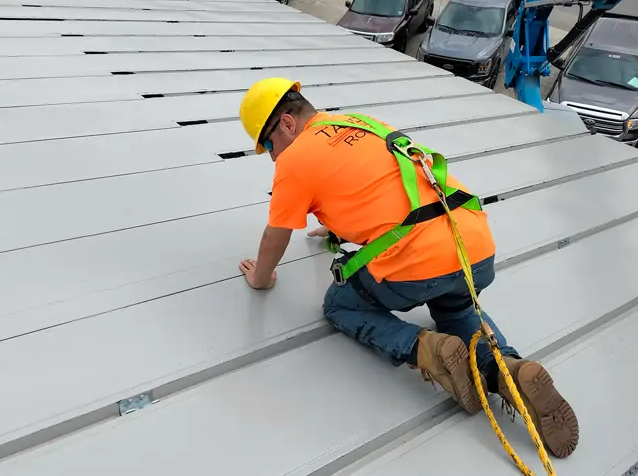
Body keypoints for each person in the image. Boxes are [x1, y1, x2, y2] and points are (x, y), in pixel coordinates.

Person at [236, 77, 579, 458]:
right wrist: (333, 223)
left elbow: (276, 235)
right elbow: (367, 182)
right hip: (473, 248)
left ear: (286, 123)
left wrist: (262, 279)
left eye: (267, 144)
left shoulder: (295, 159)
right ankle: (510, 372)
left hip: (416, 268)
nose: (271, 155)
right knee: (457, 308)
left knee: (338, 304)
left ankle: (428, 350)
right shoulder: (360, 124)